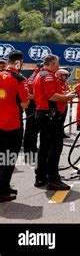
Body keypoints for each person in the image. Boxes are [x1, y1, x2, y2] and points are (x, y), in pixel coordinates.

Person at [34, 55, 75, 190]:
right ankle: (53, 178)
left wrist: (64, 94)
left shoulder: (42, 74)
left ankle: (41, 176)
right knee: (55, 146)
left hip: (45, 114)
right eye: (57, 64)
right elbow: (51, 96)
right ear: (51, 63)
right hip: (49, 115)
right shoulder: (48, 76)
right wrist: (67, 97)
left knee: (45, 147)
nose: (58, 66)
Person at [0, 50, 29, 202]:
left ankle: (3, 185)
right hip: (12, 124)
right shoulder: (19, 78)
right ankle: (3, 190)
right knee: (10, 157)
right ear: (19, 62)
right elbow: (25, 103)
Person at [23, 62, 43, 154]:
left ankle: (33, 147)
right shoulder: (34, 77)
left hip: (36, 105)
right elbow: (28, 94)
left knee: (35, 129)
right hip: (32, 106)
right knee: (30, 129)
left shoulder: (38, 76)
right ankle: (28, 149)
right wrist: (41, 96)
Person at [56, 69, 71, 139]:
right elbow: (62, 92)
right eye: (64, 76)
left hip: (65, 103)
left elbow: (68, 90)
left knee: (63, 120)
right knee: (58, 120)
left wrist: (67, 92)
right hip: (59, 104)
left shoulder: (65, 83)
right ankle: (58, 134)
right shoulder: (57, 82)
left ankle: (62, 133)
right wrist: (67, 93)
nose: (65, 77)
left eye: (66, 76)